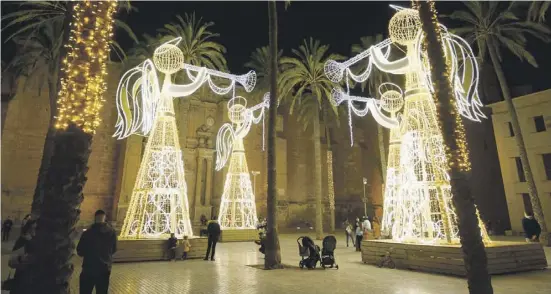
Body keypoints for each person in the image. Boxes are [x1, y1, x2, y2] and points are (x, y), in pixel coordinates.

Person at [77, 210, 117, 294]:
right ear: (105, 218)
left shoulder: (87, 233)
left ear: (95, 218)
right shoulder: (112, 233)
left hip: (89, 269)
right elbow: (114, 250)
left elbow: (80, 251)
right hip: (104, 269)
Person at [8, 219, 37, 294]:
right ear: (29, 228)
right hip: (22, 280)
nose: (35, 230)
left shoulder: (38, 242)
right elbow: (11, 261)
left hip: (34, 280)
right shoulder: (22, 240)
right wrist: (21, 259)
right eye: (34, 228)